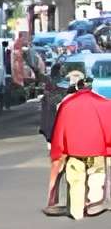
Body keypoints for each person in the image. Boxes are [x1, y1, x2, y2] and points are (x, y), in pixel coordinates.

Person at [47, 69, 111, 219]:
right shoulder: (104, 103)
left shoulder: (67, 104)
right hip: (97, 150)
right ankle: (93, 205)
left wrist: (57, 152)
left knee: (76, 180)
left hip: (74, 151)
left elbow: (59, 131)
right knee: (96, 176)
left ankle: (77, 211)